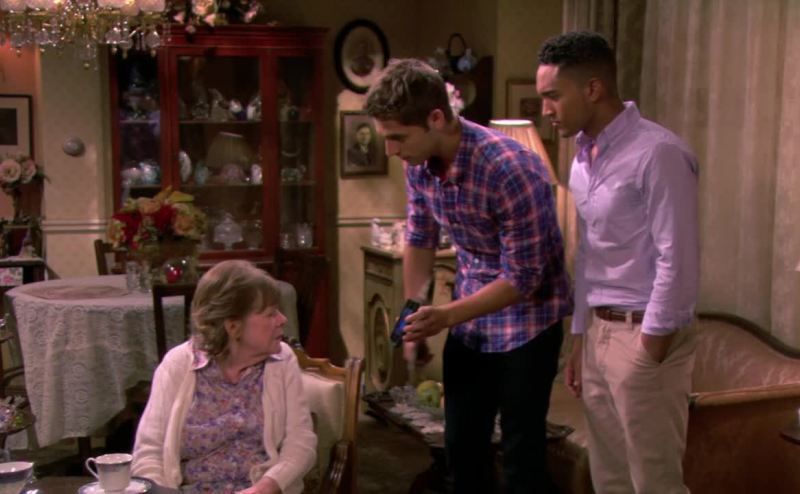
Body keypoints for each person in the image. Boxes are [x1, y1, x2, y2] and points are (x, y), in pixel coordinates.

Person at [365, 58, 572, 494]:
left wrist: (446, 316)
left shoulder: (511, 169)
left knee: (521, 462)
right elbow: (420, 238)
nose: (391, 150)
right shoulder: (417, 163)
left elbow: (523, 279)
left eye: (398, 137)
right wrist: (414, 314)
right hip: (471, 322)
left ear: (436, 119)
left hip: (529, 325)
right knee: (461, 452)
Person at [536, 31, 699, 494]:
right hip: (600, 332)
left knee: (655, 484)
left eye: (553, 96)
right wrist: (581, 338)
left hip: (644, 332)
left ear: (593, 88)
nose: (545, 109)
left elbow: (677, 258)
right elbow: (589, 254)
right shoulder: (581, 162)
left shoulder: (658, 153)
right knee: (609, 480)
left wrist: (649, 349)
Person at [132, 260, 316, 494]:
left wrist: (266, 487)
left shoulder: (282, 361)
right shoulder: (177, 365)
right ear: (233, 326)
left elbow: (301, 441)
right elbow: (149, 453)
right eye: (271, 313)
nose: (282, 320)